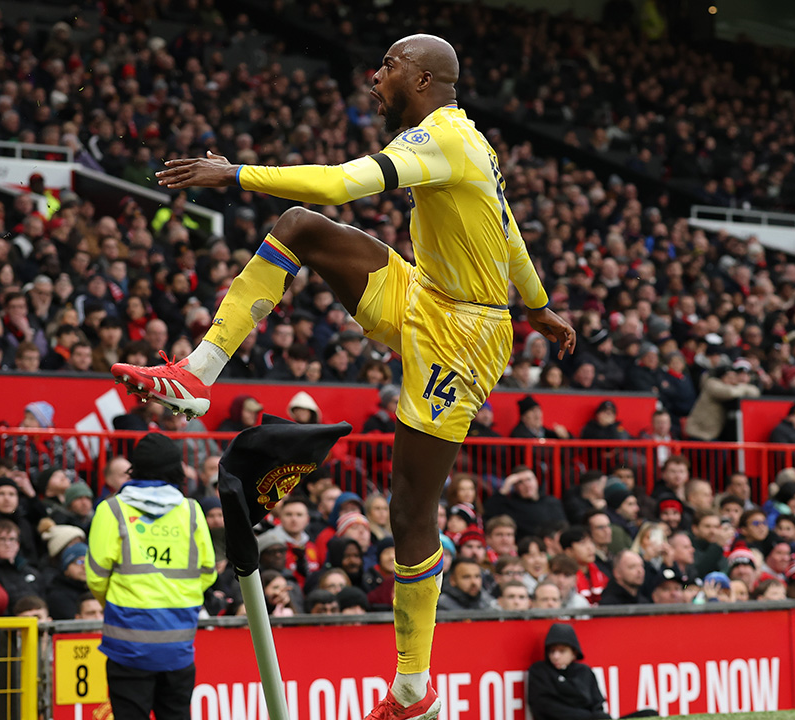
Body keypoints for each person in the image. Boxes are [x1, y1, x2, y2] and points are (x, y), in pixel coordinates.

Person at [114, 34, 575, 720]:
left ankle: (413, 687)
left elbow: (340, 182)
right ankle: (196, 373)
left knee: (411, 511)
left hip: (465, 336)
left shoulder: (443, 140)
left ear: (421, 78)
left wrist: (234, 173)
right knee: (299, 226)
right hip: (425, 294)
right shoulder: (464, 139)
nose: (374, 76)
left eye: (388, 65)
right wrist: (538, 306)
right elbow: (507, 235)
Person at [86, 433, 216, 720]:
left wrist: (122, 601)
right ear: (176, 469)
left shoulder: (111, 510)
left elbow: (96, 578)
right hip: (178, 647)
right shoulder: (192, 511)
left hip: (127, 647)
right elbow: (208, 573)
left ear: (136, 468)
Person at [528, 623, 657, 720]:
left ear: (574, 652)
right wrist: (589, 717)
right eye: (552, 651)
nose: (555, 656)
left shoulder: (584, 671)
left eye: (562, 651)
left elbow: (597, 703)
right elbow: (544, 707)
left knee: (649, 714)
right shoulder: (539, 671)